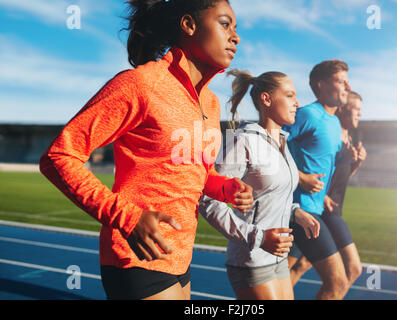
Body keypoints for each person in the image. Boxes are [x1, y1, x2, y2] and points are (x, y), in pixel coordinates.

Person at [39, 0, 254, 300]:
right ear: (189, 25)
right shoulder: (141, 84)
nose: (236, 36)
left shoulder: (211, 103)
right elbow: (58, 156)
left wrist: (225, 188)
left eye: (236, 27)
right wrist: (127, 218)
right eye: (224, 23)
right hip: (135, 255)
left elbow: (195, 172)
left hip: (179, 256)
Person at [199, 69, 306, 300]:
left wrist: (296, 213)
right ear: (266, 99)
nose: (297, 103)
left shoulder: (283, 143)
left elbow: (272, 196)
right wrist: (256, 237)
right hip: (251, 258)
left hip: (278, 258)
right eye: (289, 95)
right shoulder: (243, 140)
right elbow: (207, 199)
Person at [283, 59, 354, 300]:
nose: (347, 86)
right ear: (321, 84)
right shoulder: (307, 114)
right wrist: (300, 177)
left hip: (315, 209)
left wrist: (323, 197)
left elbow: (323, 165)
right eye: (341, 81)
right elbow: (273, 142)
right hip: (299, 213)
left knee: (281, 284)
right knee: (338, 283)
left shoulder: (334, 123)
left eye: (347, 81)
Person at [288, 91, 367, 293]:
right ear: (341, 108)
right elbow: (317, 171)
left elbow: (339, 179)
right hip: (320, 210)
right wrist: (321, 196)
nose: (360, 113)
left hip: (322, 208)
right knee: (350, 271)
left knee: (296, 267)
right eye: (355, 108)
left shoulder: (345, 138)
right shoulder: (330, 134)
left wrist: (355, 164)